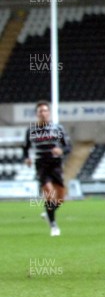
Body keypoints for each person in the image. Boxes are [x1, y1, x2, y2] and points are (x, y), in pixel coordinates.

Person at [23, 100, 71, 237]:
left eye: (45, 111)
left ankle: (48, 213)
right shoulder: (31, 130)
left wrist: (61, 150)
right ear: (36, 114)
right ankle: (53, 225)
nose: (43, 113)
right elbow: (25, 148)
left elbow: (68, 146)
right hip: (41, 165)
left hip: (56, 166)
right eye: (40, 111)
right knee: (49, 194)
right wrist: (26, 157)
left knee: (61, 198)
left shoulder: (58, 129)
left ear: (49, 113)